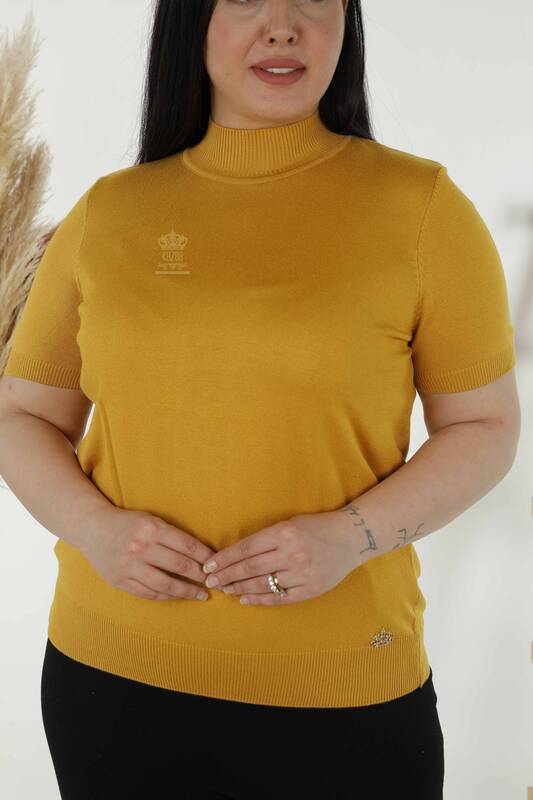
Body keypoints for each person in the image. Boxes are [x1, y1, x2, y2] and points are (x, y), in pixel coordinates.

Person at [0, 1, 520, 798]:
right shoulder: (109, 212)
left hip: (344, 695)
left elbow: (483, 426)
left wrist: (350, 536)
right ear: (191, 21)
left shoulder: (420, 208)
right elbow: (22, 413)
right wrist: (93, 528)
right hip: (109, 682)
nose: (283, 25)